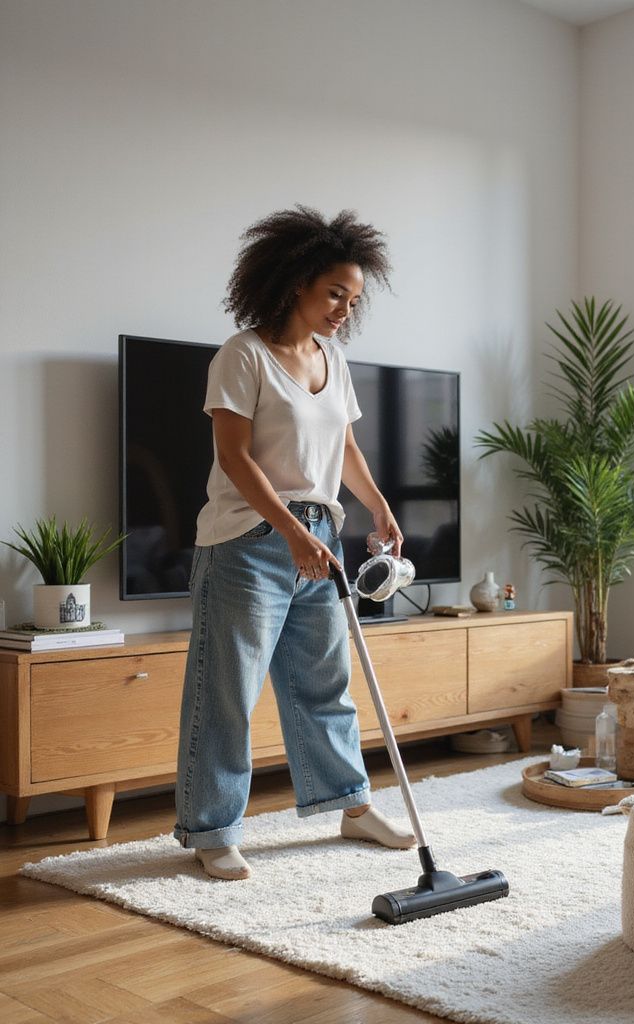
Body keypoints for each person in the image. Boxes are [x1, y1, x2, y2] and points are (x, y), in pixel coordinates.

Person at [173, 206, 416, 880]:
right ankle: (213, 828)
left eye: (353, 298)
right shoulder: (243, 355)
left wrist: (379, 506)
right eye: (334, 292)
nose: (344, 309)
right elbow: (235, 458)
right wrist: (287, 530)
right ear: (294, 281)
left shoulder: (333, 358)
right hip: (248, 541)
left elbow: (342, 446)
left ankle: (350, 802)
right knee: (229, 689)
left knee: (323, 682)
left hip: (322, 533)